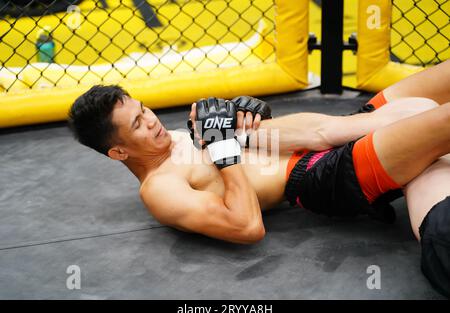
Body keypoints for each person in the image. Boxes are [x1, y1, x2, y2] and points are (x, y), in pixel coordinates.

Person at [68, 60, 450, 297]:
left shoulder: (176, 138)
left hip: (341, 128)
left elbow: (249, 146)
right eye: (136, 123)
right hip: (325, 172)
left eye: (144, 109)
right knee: (439, 120)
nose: (150, 120)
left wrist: (248, 116)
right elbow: (246, 226)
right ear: (118, 152)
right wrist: (222, 149)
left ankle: (412, 164)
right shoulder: (160, 190)